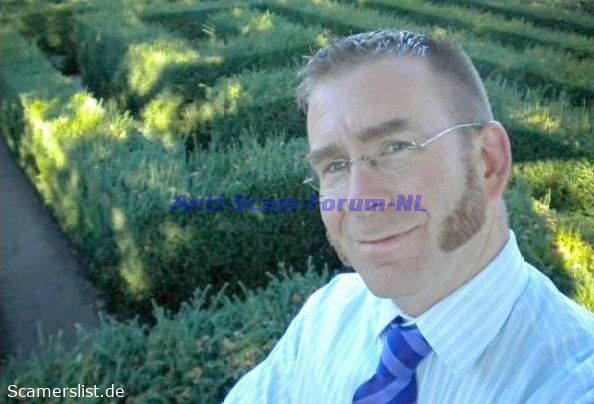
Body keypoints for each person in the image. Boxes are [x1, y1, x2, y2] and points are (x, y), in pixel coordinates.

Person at [223, 30, 594, 403]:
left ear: (487, 161)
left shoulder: (573, 386)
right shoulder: (326, 316)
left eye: (395, 148)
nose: (359, 200)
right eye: (334, 166)